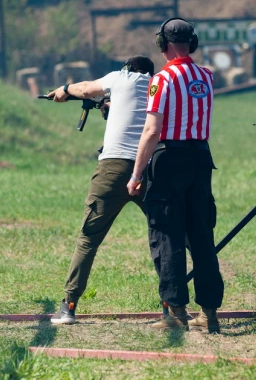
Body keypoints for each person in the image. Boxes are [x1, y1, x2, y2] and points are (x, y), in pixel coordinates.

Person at [127, 18, 224, 333]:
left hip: (169, 159)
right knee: (201, 235)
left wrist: (136, 173)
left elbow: (152, 130)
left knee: (167, 234)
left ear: (162, 45)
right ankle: (209, 314)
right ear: (191, 43)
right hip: (200, 157)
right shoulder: (206, 76)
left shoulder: (162, 79)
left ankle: (176, 313)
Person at [47, 55, 155, 325]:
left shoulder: (120, 78)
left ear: (128, 69)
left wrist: (64, 90)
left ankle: (68, 307)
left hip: (112, 169)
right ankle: (172, 306)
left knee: (88, 239)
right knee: (165, 236)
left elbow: (85, 88)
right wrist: (111, 106)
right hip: (150, 170)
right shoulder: (158, 85)